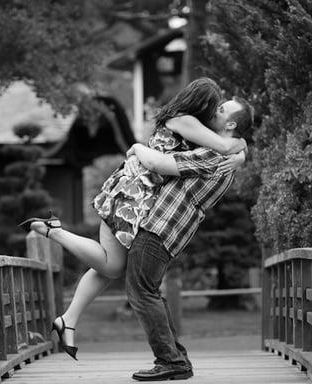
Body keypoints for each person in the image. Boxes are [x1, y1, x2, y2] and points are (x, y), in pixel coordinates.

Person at [18, 78, 247, 360]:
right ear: (202, 103)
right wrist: (238, 152)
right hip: (133, 190)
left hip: (141, 194)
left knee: (110, 267)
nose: (216, 111)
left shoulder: (190, 124)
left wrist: (242, 154)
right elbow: (225, 146)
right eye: (216, 105)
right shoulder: (184, 120)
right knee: (113, 266)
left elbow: (229, 143)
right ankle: (55, 232)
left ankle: (67, 320)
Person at [126, 96, 254, 381]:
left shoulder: (214, 156)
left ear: (230, 124)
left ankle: (170, 361)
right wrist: (242, 148)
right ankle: (176, 358)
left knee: (141, 291)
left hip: (162, 226)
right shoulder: (220, 152)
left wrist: (136, 147)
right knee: (149, 291)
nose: (214, 110)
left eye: (221, 110)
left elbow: (158, 163)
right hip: (167, 227)